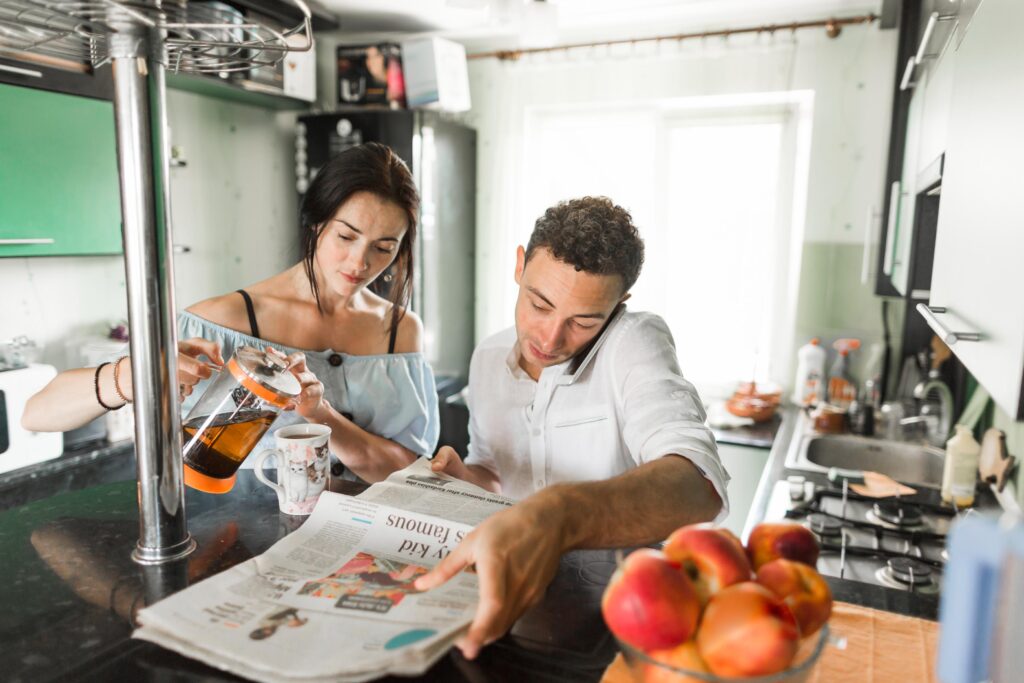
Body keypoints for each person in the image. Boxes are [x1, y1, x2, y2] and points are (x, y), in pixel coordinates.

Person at [416, 196, 730, 659]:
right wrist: (462, 476)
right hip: (519, 593)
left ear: (618, 306)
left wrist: (560, 513)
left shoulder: (634, 341)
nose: (549, 338)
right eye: (539, 304)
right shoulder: (487, 357)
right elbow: (494, 472)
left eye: (584, 322)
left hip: (628, 608)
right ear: (520, 265)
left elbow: (697, 485)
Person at [25, 142, 439, 484]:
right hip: (237, 542)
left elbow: (410, 473)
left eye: (384, 247)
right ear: (315, 222)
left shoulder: (400, 330)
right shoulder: (221, 321)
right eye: (346, 236)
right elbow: (36, 414)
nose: (359, 262)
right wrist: (136, 373)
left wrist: (321, 414)